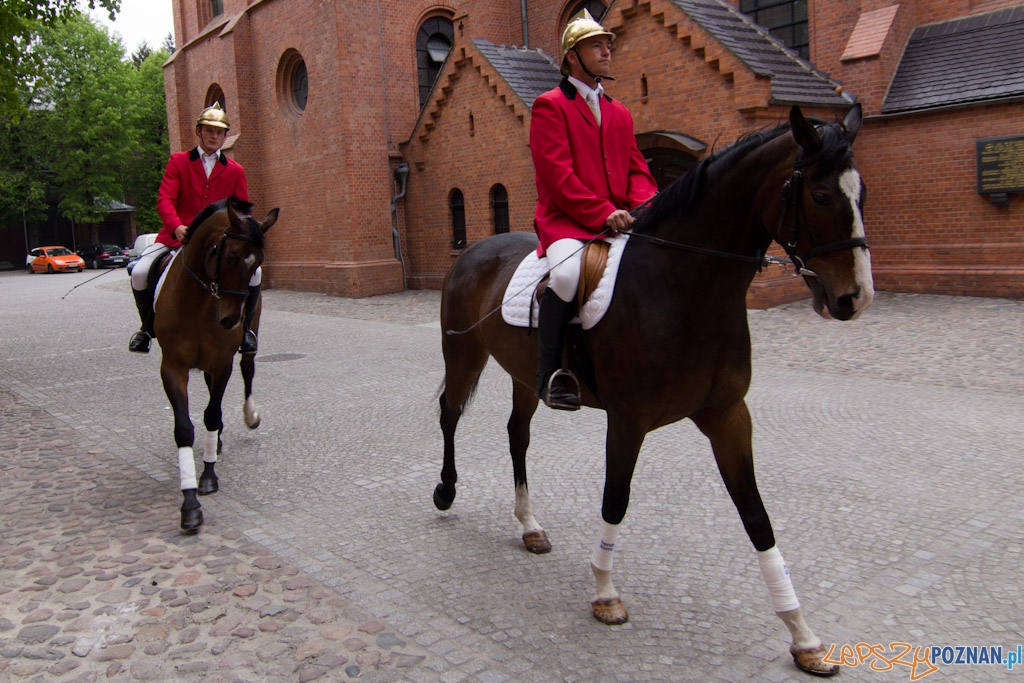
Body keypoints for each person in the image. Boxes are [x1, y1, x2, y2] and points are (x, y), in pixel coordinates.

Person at [529, 9, 658, 410]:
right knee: (566, 277)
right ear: (573, 56)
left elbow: (637, 168)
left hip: (619, 218)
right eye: (597, 45)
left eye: (608, 46)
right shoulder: (549, 105)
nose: (607, 51)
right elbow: (558, 177)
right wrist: (602, 212)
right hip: (567, 221)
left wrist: (648, 205)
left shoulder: (618, 111)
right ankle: (550, 374)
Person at [128, 103, 261, 355]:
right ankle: (147, 329)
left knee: (255, 274)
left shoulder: (235, 171)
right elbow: (164, 200)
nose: (214, 136)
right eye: (209, 131)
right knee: (140, 272)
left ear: (224, 136)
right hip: (177, 237)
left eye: (219, 132)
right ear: (199, 132)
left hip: (217, 243)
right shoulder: (178, 161)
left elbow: (243, 211)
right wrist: (176, 226)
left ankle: (246, 332)